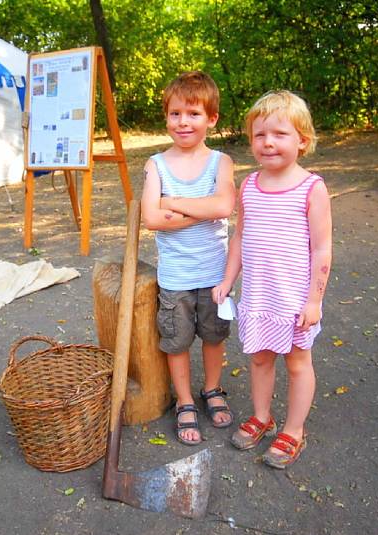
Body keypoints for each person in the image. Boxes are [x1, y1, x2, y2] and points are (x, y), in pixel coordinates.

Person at [213, 90, 332, 468]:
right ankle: (262, 416)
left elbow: (322, 250)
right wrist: (228, 279)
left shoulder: (312, 188)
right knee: (260, 359)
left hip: (295, 301)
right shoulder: (248, 186)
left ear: (302, 140)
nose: (268, 142)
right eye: (260, 134)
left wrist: (314, 301)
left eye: (280, 134)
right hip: (259, 296)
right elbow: (240, 237)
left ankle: (294, 430)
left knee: (298, 363)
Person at [141, 71, 236, 446]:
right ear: (166, 117)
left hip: (216, 274)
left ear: (211, 119)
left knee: (214, 336)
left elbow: (225, 205)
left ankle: (212, 389)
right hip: (176, 277)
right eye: (176, 113)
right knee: (177, 341)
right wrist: (206, 208)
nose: (184, 122)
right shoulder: (156, 165)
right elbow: (151, 219)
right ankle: (184, 401)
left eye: (193, 113)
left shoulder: (221, 162)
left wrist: (174, 203)